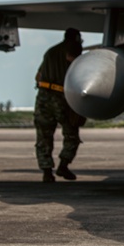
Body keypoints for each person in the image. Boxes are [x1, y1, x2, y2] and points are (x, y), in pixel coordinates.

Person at [34, 28, 86, 183]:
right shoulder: (73, 49)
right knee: (71, 134)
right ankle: (63, 165)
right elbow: (74, 64)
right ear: (76, 38)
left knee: (44, 136)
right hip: (63, 98)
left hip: (43, 96)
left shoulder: (51, 51)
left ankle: (47, 172)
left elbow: (38, 76)